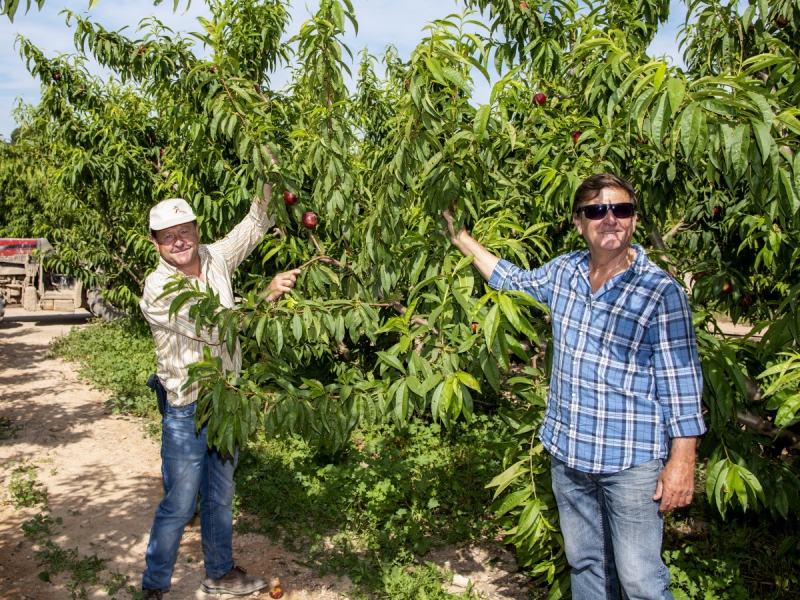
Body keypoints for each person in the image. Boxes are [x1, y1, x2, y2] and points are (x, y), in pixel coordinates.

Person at [442, 173, 706, 600]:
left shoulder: (660, 292)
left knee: (640, 580)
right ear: (579, 222)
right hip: (570, 453)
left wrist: (682, 462)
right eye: (596, 211)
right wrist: (463, 240)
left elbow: (681, 383)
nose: (610, 220)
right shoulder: (563, 272)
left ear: (635, 220)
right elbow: (512, 280)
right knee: (585, 565)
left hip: (632, 462)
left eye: (620, 210)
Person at [139, 183, 300, 599]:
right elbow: (216, 328)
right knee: (180, 502)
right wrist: (265, 296)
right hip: (186, 407)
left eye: (186, 230)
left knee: (221, 495)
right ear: (156, 243)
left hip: (227, 401)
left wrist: (269, 178)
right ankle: (155, 585)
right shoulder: (158, 288)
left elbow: (253, 224)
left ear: (196, 229)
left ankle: (220, 574)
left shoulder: (215, 257)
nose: (180, 242)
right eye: (169, 236)